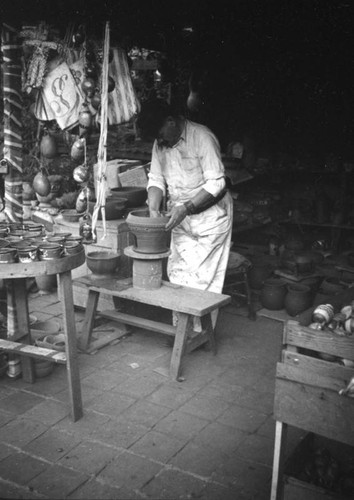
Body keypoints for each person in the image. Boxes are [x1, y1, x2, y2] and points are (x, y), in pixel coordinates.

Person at [137, 99, 233, 330]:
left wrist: (187, 208)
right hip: (179, 215)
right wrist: (153, 207)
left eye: (161, 134)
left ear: (171, 121)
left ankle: (199, 334)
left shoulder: (202, 137)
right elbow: (156, 179)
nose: (160, 142)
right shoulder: (161, 143)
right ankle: (182, 330)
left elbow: (216, 183)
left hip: (210, 216)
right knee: (177, 272)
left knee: (202, 280)